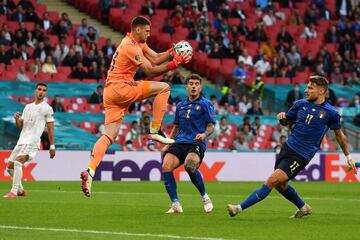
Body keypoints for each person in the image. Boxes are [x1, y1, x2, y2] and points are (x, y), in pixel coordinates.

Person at [80, 16, 191, 197]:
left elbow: (155, 58)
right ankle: (155, 130)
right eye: (147, 31)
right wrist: (175, 63)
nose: (149, 34)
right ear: (137, 30)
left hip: (110, 93)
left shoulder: (137, 43)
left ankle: (90, 171)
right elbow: (151, 70)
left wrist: (172, 51)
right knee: (164, 88)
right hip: (121, 88)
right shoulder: (130, 46)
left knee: (109, 135)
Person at [227, 76, 357, 218]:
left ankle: (238, 208)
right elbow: (287, 121)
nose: (306, 90)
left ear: (321, 91)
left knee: (272, 180)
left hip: (302, 154)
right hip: (287, 148)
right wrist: (283, 119)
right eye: (307, 87)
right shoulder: (300, 104)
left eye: (310, 88)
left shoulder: (331, 113)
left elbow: (339, 136)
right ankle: (303, 207)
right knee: (280, 185)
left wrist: (348, 156)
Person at [160, 74, 215, 213]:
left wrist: (203, 135)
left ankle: (205, 197)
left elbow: (211, 126)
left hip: (195, 143)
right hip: (179, 142)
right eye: (191, 83)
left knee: (189, 166)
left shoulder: (206, 104)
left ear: (200, 87)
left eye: (196, 83)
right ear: (187, 87)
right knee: (166, 166)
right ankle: (175, 204)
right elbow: (176, 127)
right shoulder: (180, 105)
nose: (194, 86)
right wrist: (167, 143)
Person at [3, 83, 55, 198]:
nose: (41, 92)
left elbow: (50, 128)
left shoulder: (47, 108)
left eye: (44, 90)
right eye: (39, 89)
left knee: (17, 162)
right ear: (35, 91)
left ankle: (14, 192)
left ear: (46, 93)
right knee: (9, 167)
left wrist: (52, 147)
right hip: (21, 140)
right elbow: (21, 126)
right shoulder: (27, 107)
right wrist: (17, 119)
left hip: (32, 141)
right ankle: (21, 190)